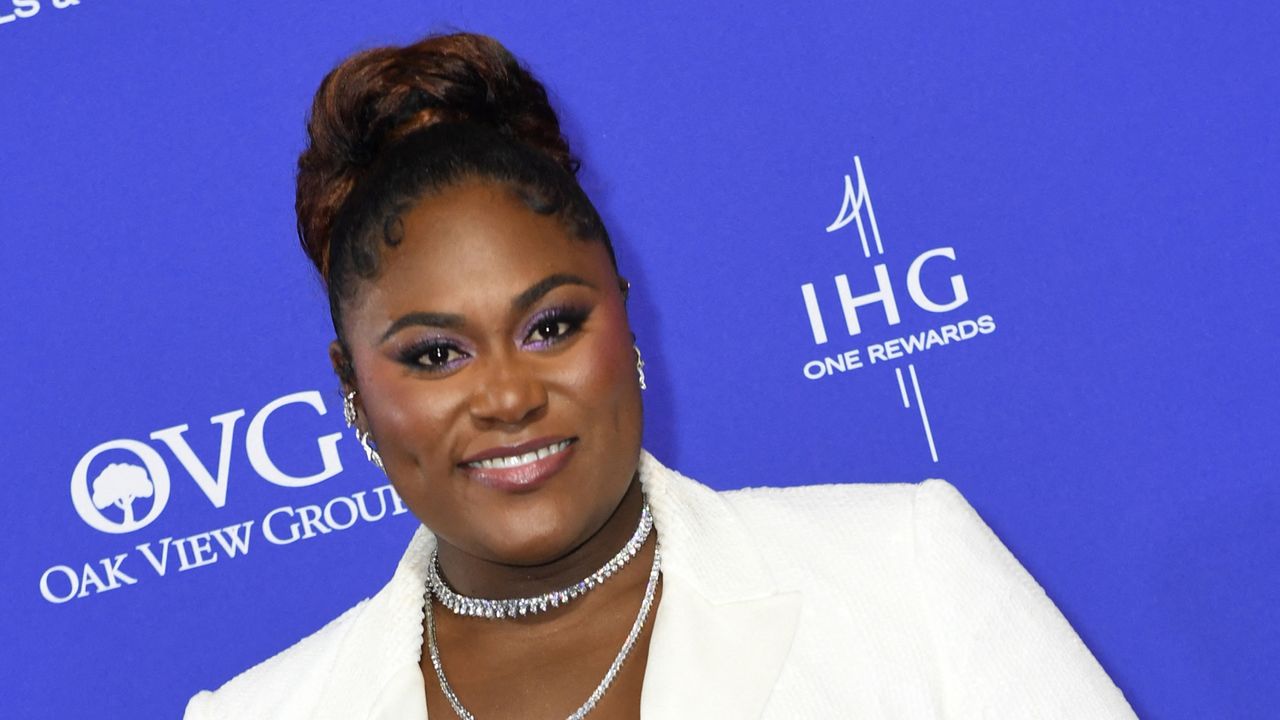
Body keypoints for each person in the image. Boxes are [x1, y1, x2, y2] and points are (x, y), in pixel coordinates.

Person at [184, 32, 1137, 719]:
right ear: (353, 390)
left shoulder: (902, 574)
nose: (509, 395)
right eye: (436, 354)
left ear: (625, 319)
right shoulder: (260, 713)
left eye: (551, 324)